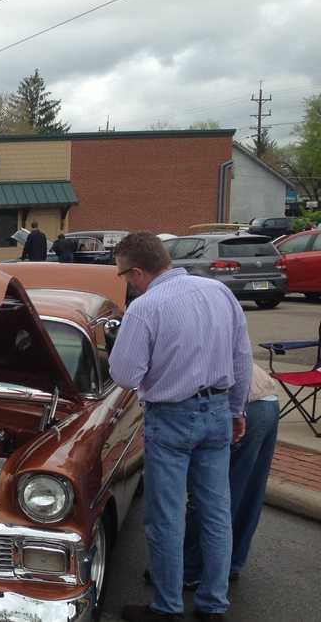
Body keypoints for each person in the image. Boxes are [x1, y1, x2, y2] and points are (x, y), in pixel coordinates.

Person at [109, 232, 251, 622]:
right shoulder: (218, 292)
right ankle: (213, 605)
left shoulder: (145, 307)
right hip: (219, 409)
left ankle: (167, 607)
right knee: (216, 512)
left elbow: (124, 374)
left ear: (137, 272)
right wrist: (238, 411)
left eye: (124, 275)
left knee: (166, 515)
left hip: (172, 416)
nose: (126, 282)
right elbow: (242, 358)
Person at [182, 364, 279, 589]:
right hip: (267, 398)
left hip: (240, 405)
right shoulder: (221, 328)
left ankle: (189, 569)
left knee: (209, 493)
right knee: (248, 491)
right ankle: (232, 563)